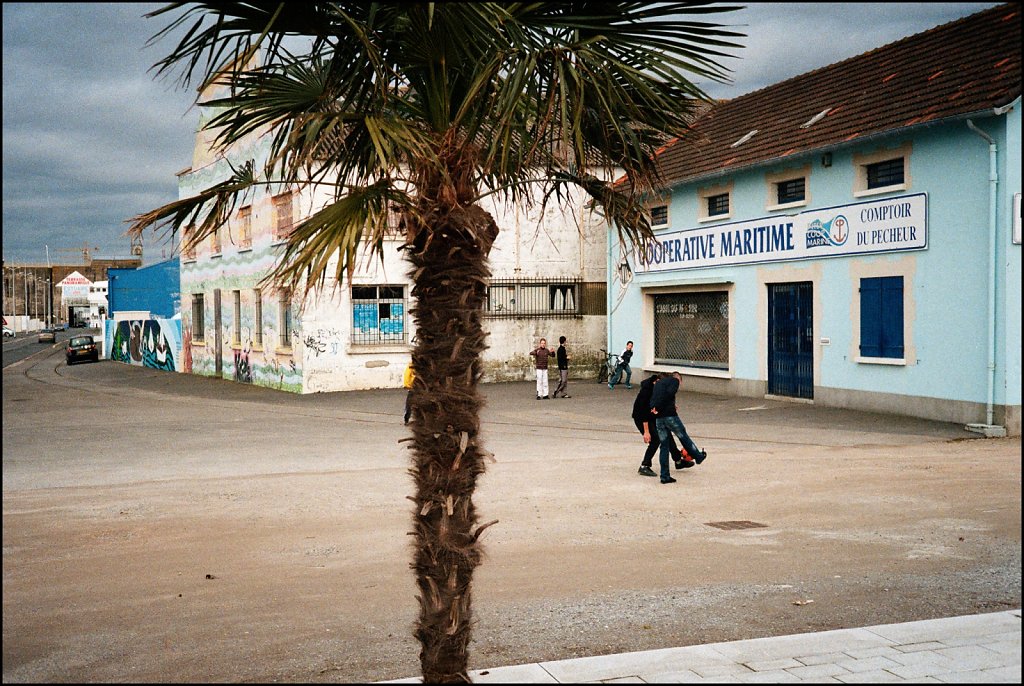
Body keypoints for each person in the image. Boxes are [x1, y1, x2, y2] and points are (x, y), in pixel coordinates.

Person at [650, 371, 707, 484]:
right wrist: (664, 406)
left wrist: (654, 407)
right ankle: (698, 456)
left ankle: (664, 476)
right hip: (669, 416)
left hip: (659, 418)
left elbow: (655, 398)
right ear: (678, 379)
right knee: (683, 436)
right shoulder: (674, 380)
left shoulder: (658, 384)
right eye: (680, 383)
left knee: (664, 446)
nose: (679, 386)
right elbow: (669, 394)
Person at [632, 373, 693, 477]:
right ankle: (644, 466)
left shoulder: (659, 388)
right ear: (658, 381)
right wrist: (646, 432)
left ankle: (678, 461)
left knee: (667, 435)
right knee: (656, 439)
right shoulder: (646, 391)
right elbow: (643, 412)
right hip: (641, 418)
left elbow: (663, 399)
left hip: (653, 416)